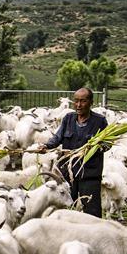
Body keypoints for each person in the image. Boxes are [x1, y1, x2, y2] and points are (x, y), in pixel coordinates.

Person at [42, 87, 108, 217]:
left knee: (92, 212)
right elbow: (58, 137)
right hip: (68, 173)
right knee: (63, 209)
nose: (78, 105)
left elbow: (107, 144)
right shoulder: (68, 118)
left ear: (91, 102)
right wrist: (46, 146)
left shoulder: (99, 121)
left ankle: (92, 235)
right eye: (76, 101)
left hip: (89, 175)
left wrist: (96, 147)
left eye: (83, 101)